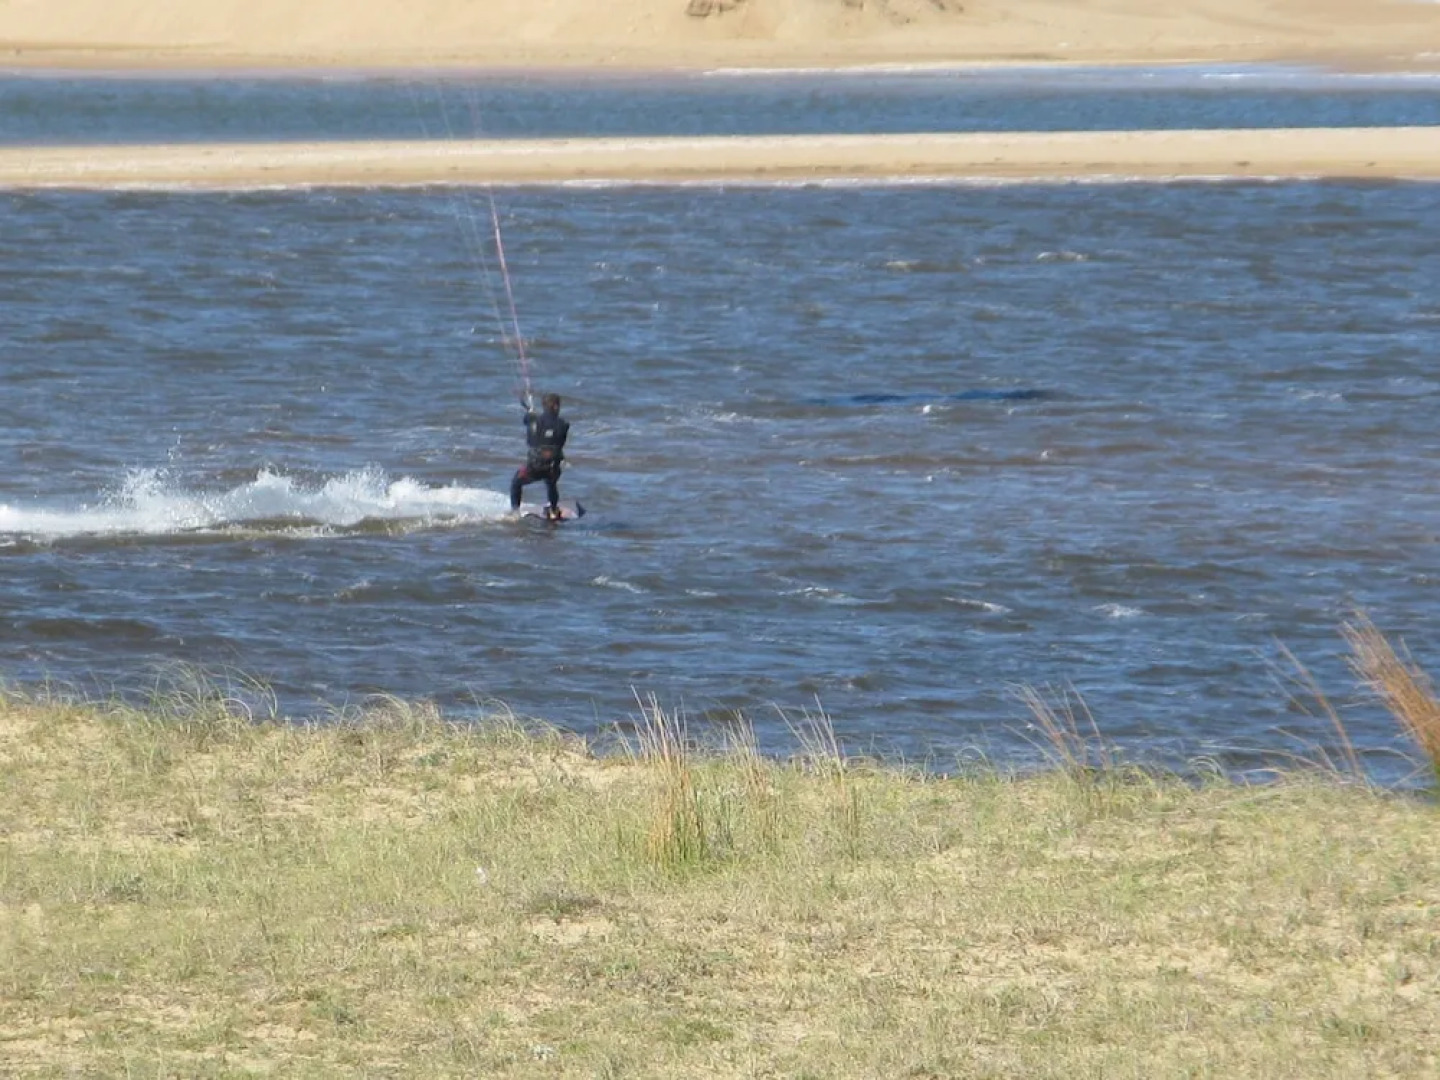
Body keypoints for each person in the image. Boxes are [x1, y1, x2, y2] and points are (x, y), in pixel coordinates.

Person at [510, 392, 570, 518]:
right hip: (552, 468)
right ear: (555, 407)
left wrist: (531, 412)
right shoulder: (564, 424)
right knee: (551, 483)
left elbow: (528, 420)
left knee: (516, 482)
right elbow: (558, 438)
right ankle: (553, 510)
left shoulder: (533, 420)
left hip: (534, 467)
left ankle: (515, 513)